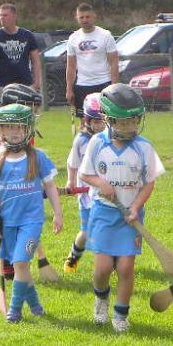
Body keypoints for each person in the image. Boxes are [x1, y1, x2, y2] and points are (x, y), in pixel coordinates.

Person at [79, 83, 164, 333]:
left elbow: (149, 183)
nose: (129, 127)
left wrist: (136, 206)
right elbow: (85, 174)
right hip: (104, 212)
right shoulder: (97, 143)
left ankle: (121, 314)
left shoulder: (144, 147)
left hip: (131, 217)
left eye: (133, 121)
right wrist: (101, 183)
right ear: (108, 119)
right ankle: (101, 298)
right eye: (123, 123)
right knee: (103, 268)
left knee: (126, 267)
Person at [0, 103, 63, 323]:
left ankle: (15, 310)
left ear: (28, 129)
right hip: (8, 223)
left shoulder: (37, 157)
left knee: (20, 263)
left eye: (19, 127)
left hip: (32, 222)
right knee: (21, 265)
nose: (15, 132)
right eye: (9, 127)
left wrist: (58, 213)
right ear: (0, 130)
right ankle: (35, 306)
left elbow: (50, 187)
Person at [63, 93, 106, 273]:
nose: (100, 125)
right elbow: (72, 164)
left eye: (103, 120)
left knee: (107, 229)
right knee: (87, 231)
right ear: (87, 121)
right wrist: (70, 180)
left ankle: (110, 262)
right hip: (86, 195)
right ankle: (73, 256)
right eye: (96, 121)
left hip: (105, 194)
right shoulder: (81, 141)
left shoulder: (110, 139)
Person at [66, 3, 119, 124]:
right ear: (77, 18)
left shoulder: (105, 35)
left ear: (94, 16)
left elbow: (114, 62)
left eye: (87, 17)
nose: (85, 20)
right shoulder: (73, 38)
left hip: (104, 84)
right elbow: (71, 66)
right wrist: (69, 89)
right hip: (82, 85)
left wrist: (114, 87)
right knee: (85, 124)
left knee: (105, 121)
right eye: (81, 17)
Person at [0, 3, 42, 98]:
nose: (2, 18)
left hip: (25, 85)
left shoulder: (27, 36)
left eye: (5, 15)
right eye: (0, 15)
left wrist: (36, 84)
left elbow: (36, 61)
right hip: (3, 86)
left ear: (14, 16)